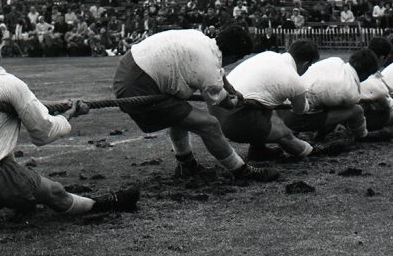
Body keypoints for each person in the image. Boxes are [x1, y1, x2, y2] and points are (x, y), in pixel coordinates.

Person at [0, 23, 138, 215]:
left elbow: (9, 105)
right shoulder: (8, 83)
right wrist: (70, 114)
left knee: (7, 162)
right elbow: (43, 133)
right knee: (55, 193)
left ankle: (21, 200)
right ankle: (100, 205)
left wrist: (55, 105)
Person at [113, 25, 278, 181]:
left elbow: (217, 71)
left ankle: (186, 164)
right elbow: (221, 100)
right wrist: (233, 102)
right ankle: (241, 171)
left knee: (182, 112)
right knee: (209, 124)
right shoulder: (208, 65)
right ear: (234, 57)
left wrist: (232, 89)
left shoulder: (201, 39)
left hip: (129, 68)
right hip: (138, 87)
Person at [208, 39, 326, 161]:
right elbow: (299, 110)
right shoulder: (294, 79)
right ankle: (310, 151)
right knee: (284, 134)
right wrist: (307, 102)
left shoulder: (267, 55)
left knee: (265, 103)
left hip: (218, 108)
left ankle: (258, 150)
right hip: (234, 117)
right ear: (306, 64)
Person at [281, 49, 379, 142]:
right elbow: (341, 108)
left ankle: (302, 132)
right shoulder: (351, 91)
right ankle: (362, 136)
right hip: (297, 118)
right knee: (356, 110)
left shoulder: (334, 61)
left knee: (324, 101)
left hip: (285, 105)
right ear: (365, 74)